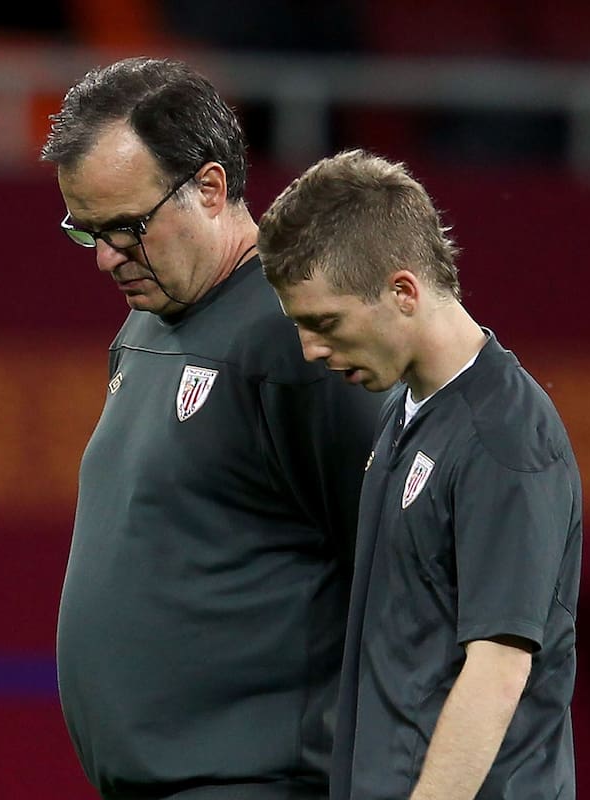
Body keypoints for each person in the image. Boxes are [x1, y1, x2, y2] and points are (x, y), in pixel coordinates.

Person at [40, 59, 383, 800]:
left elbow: (404, 569)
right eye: (86, 231)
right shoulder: (148, 322)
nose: (105, 259)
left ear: (211, 187)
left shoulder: (298, 340)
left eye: (127, 228)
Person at [258, 150, 583, 800]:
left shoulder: (504, 437)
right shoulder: (407, 412)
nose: (311, 351)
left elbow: (497, 670)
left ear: (403, 292)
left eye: (325, 323)